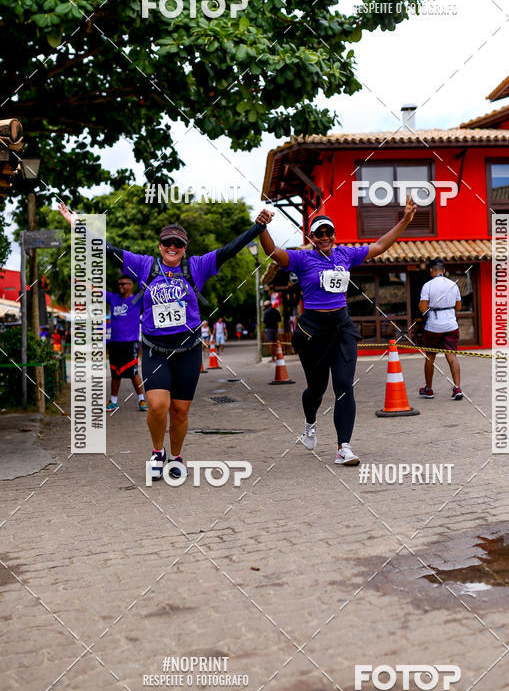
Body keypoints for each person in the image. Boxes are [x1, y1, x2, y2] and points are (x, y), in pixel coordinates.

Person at [58, 201, 272, 480]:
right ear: (159, 246)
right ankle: (157, 452)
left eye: (178, 243)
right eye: (167, 242)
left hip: (188, 350)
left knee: (180, 410)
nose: (172, 247)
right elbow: (107, 249)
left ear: (185, 247)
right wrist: (77, 224)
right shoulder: (143, 265)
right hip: (155, 350)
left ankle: (177, 457)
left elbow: (230, 250)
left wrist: (258, 227)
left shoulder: (197, 266)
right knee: (158, 406)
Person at [259, 198, 417, 465]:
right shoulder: (302, 258)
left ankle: (344, 447)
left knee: (344, 386)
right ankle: (310, 422)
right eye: (318, 233)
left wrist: (404, 221)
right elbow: (273, 251)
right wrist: (262, 228)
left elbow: (379, 246)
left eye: (328, 232)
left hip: (342, 329)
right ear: (311, 237)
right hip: (313, 332)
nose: (324, 237)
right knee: (316, 389)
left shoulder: (345, 255)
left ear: (334, 235)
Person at [418, 258, 463, 400]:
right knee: (451, 355)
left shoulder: (427, 286)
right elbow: (458, 307)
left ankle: (428, 389)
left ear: (431, 271)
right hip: (451, 325)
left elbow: (423, 308)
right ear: (444, 271)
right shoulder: (453, 285)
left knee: (430, 356)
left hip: (433, 326)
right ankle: (457, 388)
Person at [105, 274, 147, 412]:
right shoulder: (113, 298)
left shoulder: (137, 299)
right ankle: (113, 402)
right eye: (119, 284)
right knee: (115, 374)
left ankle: (141, 400)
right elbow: (95, 290)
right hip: (114, 343)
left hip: (130, 343)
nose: (120, 286)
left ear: (131, 285)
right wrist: (79, 282)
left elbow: (148, 286)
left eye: (123, 284)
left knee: (133, 372)